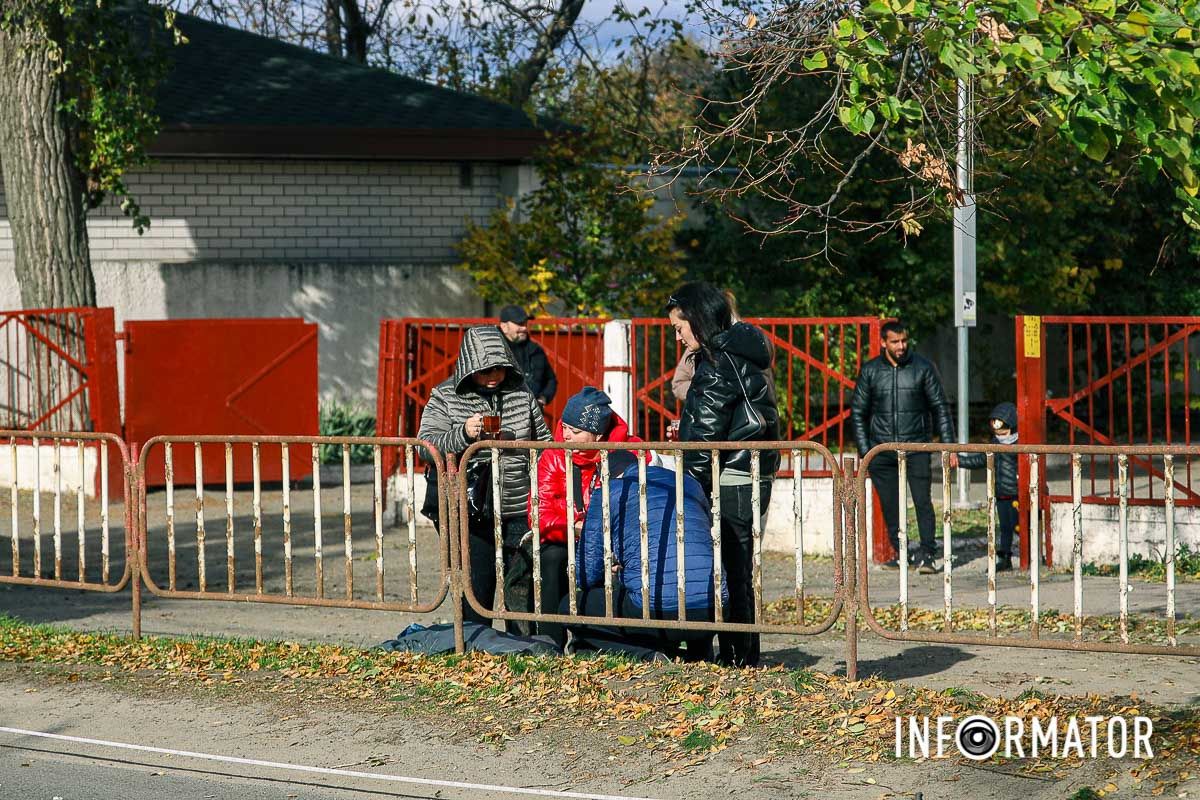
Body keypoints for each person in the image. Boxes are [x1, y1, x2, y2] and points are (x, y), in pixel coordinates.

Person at [669, 282, 780, 667]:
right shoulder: (737, 354)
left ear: (697, 321)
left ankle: (738, 655)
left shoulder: (717, 365)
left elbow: (704, 441)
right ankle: (741, 651)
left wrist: (688, 489)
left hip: (731, 476)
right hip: (746, 471)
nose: (678, 335)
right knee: (739, 566)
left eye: (680, 327)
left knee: (733, 567)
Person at [417, 325, 551, 633]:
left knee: (523, 582)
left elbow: (543, 442)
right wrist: (463, 433)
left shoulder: (521, 393)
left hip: (518, 503)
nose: (493, 376)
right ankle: (477, 645)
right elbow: (426, 446)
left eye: (500, 369)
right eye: (485, 370)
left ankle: (525, 645)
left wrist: (540, 487)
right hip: (467, 507)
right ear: (469, 367)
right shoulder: (445, 395)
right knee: (476, 583)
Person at [571, 450, 724, 661]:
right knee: (690, 577)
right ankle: (699, 653)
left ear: (607, 475)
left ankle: (650, 654)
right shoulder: (688, 484)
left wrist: (617, 573)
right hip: (715, 607)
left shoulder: (609, 491)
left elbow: (587, 574)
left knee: (572, 606)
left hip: (657, 610)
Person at [529, 387, 643, 645]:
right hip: (569, 535)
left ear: (599, 435)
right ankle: (550, 641)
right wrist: (577, 527)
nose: (566, 435)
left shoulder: (630, 452)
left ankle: (607, 641)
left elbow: (637, 508)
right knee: (551, 557)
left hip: (615, 541)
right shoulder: (553, 455)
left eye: (575, 431)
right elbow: (539, 513)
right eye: (564, 426)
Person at [850, 320, 957, 574]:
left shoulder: (923, 368)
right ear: (884, 343)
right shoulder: (871, 371)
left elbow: (940, 407)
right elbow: (858, 412)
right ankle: (902, 553)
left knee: (922, 502)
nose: (901, 346)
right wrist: (867, 452)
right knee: (890, 505)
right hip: (882, 451)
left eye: (904, 341)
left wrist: (949, 445)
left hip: (917, 447)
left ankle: (928, 554)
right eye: (895, 341)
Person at [955, 402, 1019, 572]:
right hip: (1001, 493)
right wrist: (960, 461)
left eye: (1002, 429)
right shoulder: (994, 444)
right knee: (1005, 527)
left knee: (1021, 526)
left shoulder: (1020, 444)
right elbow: (980, 460)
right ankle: (1005, 557)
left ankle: (1032, 555)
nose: (1001, 435)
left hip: (1017, 493)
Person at [498, 305, 558, 407]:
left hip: (532, 417)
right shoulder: (494, 350)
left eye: (525, 323)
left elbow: (551, 380)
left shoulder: (536, 350)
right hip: (503, 415)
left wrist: (543, 398)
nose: (524, 328)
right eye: (519, 324)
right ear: (504, 326)